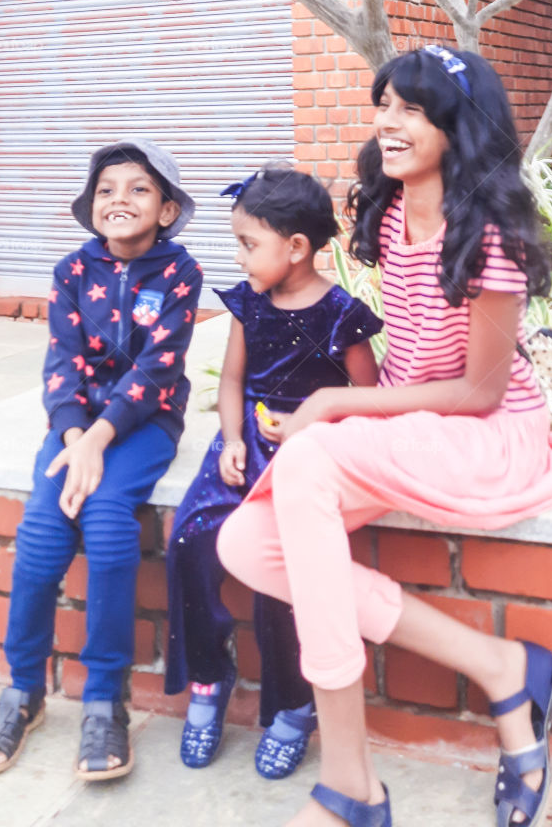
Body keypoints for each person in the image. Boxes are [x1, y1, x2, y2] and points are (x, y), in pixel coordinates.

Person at [217, 47, 552, 827]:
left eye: (412, 109)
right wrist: (348, 403)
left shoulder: (487, 234)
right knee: (244, 545)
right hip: (416, 421)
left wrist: (339, 407)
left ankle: (351, 784)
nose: (388, 121)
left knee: (312, 459)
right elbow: (413, 352)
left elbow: (480, 389)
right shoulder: (388, 212)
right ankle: (501, 665)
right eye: (383, 102)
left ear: (459, 126)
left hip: (488, 428)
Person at [0, 139, 202, 782]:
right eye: (106, 189)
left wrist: (102, 438)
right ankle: (23, 691)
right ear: (90, 205)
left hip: (144, 424)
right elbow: (62, 362)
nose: (119, 199)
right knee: (42, 533)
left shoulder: (181, 272)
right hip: (73, 432)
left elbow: (160, 367)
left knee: (107, 525)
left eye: (139, 189)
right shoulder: (72, 270)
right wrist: (75, 437)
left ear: (167, 209)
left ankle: (105, 699)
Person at [165, 165, 382, 778]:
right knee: (189, 540)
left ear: (296, 247)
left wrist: (312, 429)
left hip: (308, 461)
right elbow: (232, 380)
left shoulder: (343, 315)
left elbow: (365, 400)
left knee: (280, 578)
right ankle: (208, 677)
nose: (239, 257)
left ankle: (292, 704)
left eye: (247, 243)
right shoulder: (248, 305)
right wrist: (231, 438)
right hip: (245, 450)